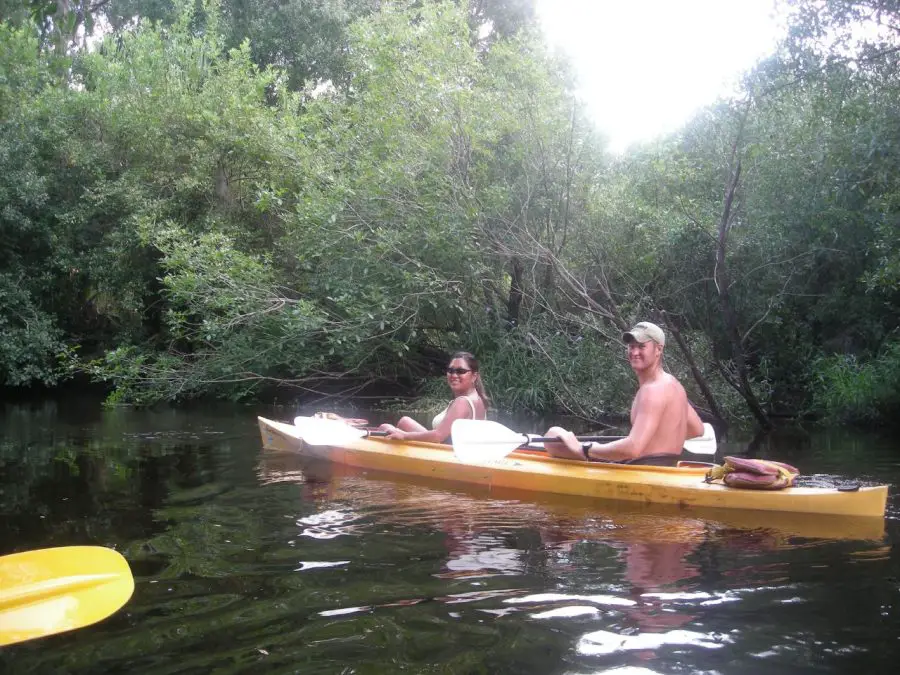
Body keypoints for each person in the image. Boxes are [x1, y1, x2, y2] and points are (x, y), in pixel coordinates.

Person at [544, 321, 704, 466]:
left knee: (553, 434)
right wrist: (658, 439)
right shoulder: (674, 385)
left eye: (641, 346)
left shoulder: (652, 390)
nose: (634, 352)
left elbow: (633, 448)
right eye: (631, 346)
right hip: (665, 467)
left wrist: (585, 449)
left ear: (658, 349)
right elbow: (697, 430)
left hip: (643, 469)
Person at [378, 351, 489, 443]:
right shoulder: (478, 399)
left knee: (385, 428)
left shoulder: (463, 402)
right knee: (404, 421)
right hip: (448, 448)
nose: (454, 375)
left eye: (460, 371)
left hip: (446, 456)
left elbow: (438, 437)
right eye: (450, 370)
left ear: (474, 376)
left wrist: (405, 435)